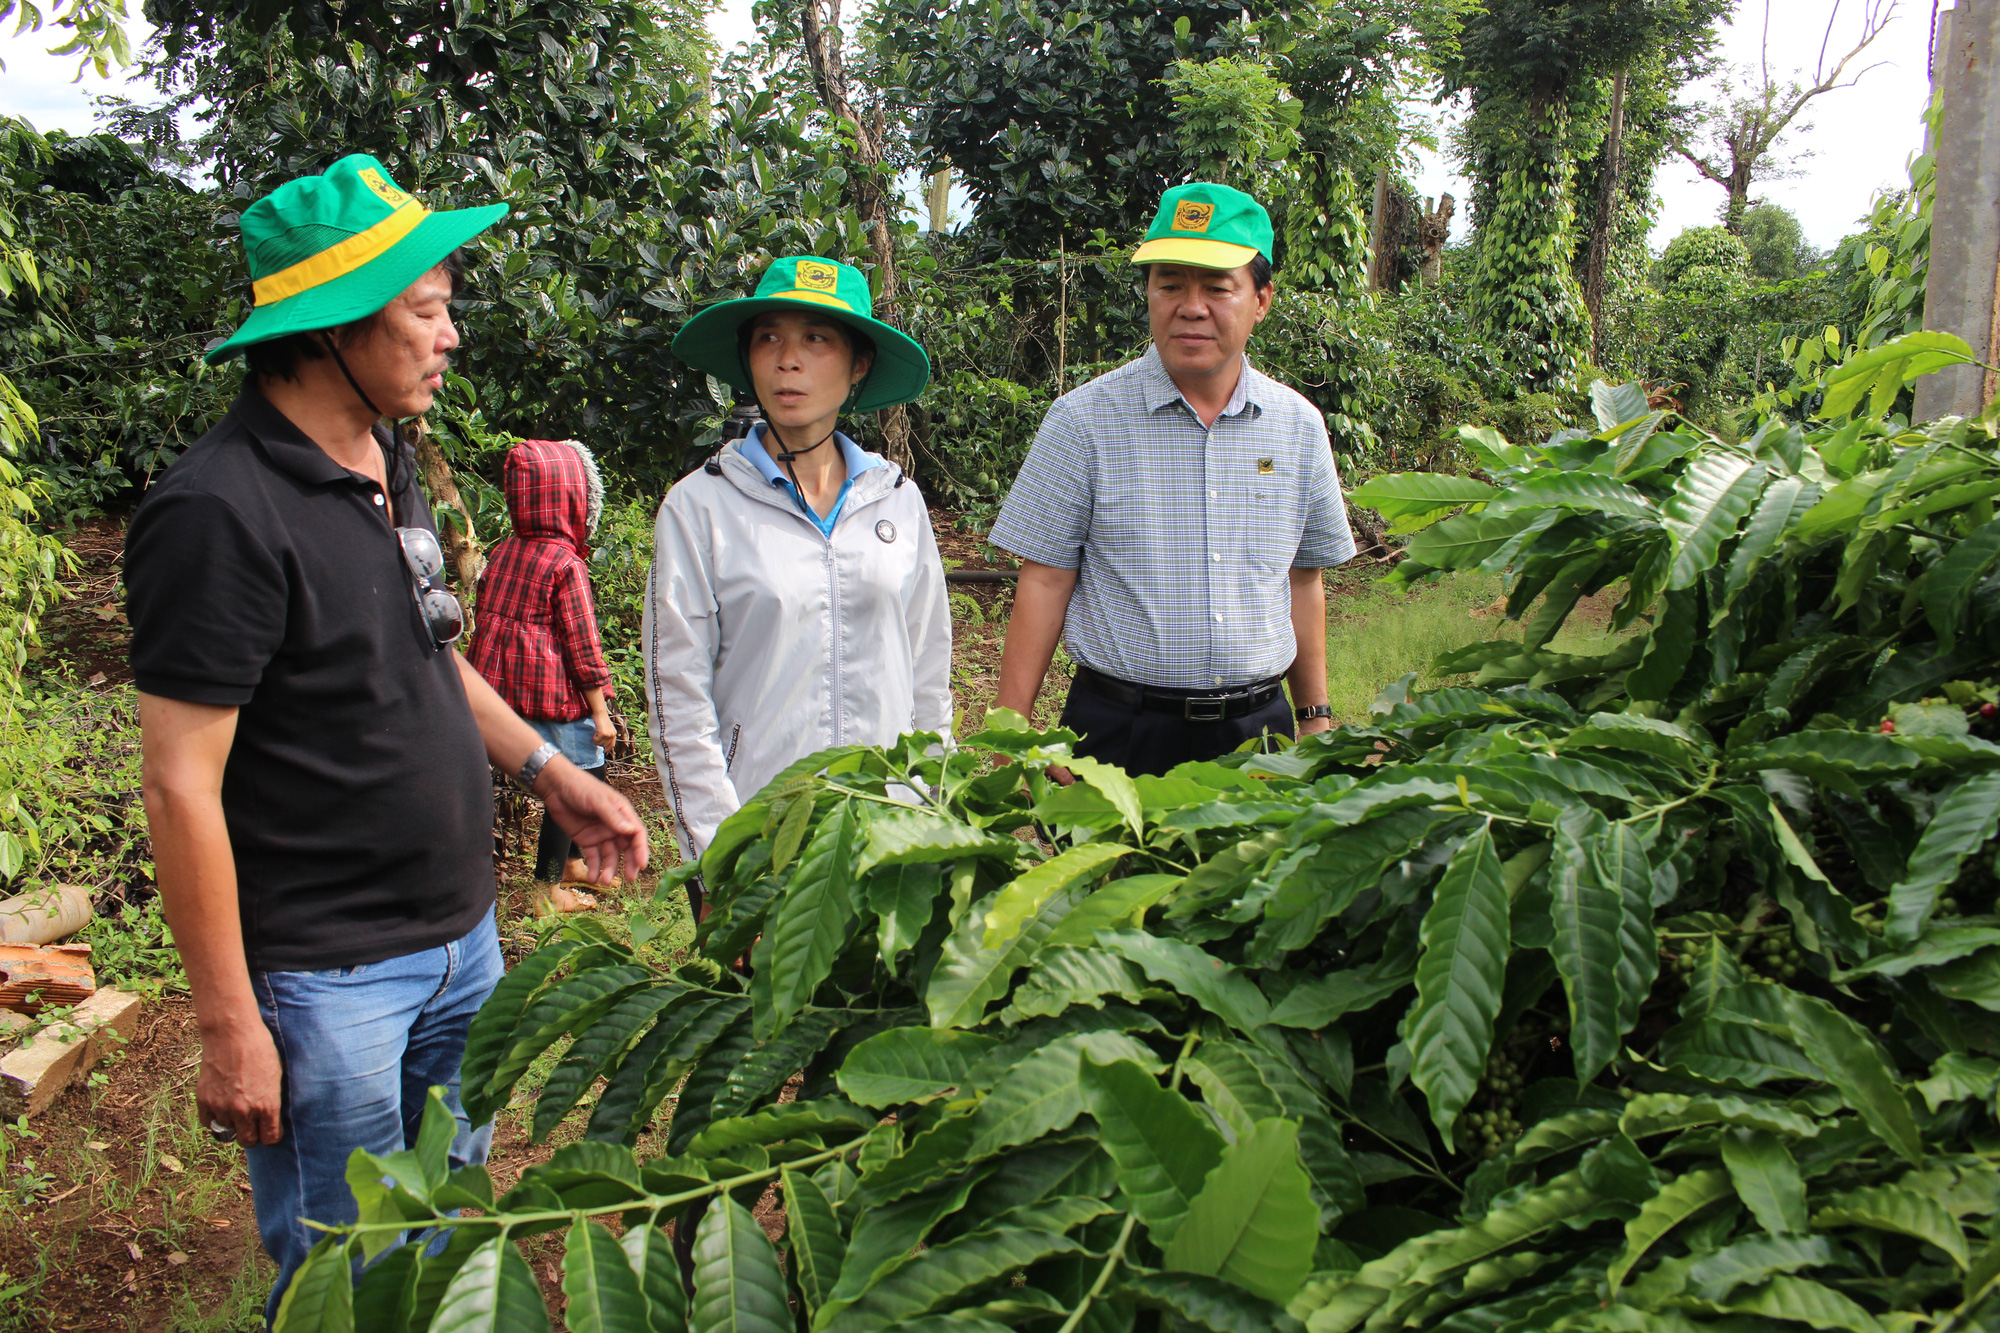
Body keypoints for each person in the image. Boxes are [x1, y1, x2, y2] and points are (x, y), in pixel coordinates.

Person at [125, 154, 649, 1317]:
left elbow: (431, 655)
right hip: (328, 974)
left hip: (461, 937)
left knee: (451, 1224)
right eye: (427, 309)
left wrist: (554, 770)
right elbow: (179, 784)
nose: (449, 335)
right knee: (345, 1269)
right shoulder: (215, 512)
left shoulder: (384, 456)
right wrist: (227, 1023)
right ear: (332, 329)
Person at [988, 182, 1355, 775]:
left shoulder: (1297, 427)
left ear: (1261, 299)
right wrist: (1014, 732)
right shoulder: (1084, 421)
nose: (1191, 306)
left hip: (1257, 735)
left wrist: (1313, 713)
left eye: (1217, 288)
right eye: (1170, 285)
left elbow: (1302, 577)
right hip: (1117, 733)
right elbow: (1046, 580)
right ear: (1149, 295)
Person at [644, 255, 952, 867]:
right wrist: (721, 854)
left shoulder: (897, 502)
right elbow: (677, 695)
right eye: (769, 339)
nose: (789, 359)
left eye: (816, 339)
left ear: (859, 363)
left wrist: (928, 813)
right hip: (762, 834)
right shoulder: (700, 506)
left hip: (888, 836)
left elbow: (928, 679)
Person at [467, 437, 620, 912]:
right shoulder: (565, 563)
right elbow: (582, 644)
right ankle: (548, 890)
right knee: (574, 785)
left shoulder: (507, 548)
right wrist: (601, 713)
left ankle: (572, 863)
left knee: (578, 778)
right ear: (572, 499)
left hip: (506, 693)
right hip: (553, 694)